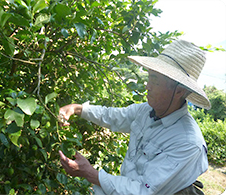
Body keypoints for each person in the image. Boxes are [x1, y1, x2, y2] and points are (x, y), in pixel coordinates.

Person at [58, 40, 211, 194]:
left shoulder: (188, 143)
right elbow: (113, 116)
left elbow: (142, 191)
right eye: (150, 77)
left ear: (179, 91)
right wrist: (78, 109)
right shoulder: (146, 111)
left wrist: (90, 173)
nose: (147, 86)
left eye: (155, 80)